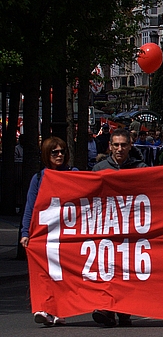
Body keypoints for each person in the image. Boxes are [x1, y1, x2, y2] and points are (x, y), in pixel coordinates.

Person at [91, 129, 145, 327]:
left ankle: (124, 310)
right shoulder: (99, 169)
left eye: (124, 145)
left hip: (133, 231)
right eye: (116, 145)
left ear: (130, 146)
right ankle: (107, 308)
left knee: (128, 272)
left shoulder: (141, 169)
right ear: (110, 146)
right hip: (108, 229)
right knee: (107, 271)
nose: (120, 149)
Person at [21, 137, 77, 327]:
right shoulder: (38, 178)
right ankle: (44, 308)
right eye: (55, 152)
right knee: (44, 273)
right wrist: (25, 232)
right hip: (46, 234)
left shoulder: (74, 174)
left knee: (64, 275)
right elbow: (31, 206)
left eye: (62, 151)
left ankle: (59, 311)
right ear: (47, 155)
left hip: (70, 233)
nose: (59, 155)